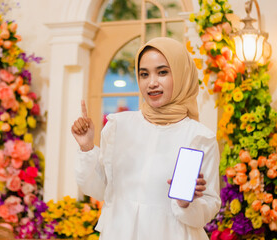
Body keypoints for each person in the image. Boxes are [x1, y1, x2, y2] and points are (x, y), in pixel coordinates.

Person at [71, 37, 221, 240]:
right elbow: (102, 190)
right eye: (144, 74)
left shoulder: (199, 137)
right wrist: (87, 147)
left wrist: (186, 203)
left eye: (162, 72)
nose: (152, 83)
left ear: (181, 74)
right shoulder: (118, 126)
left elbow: (209, 207)